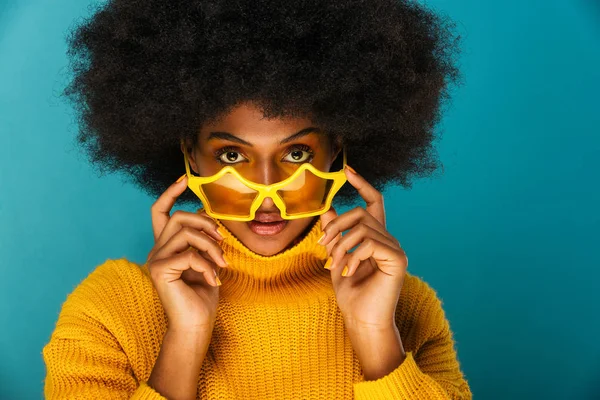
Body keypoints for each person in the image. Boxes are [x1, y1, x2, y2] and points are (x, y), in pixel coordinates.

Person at [42, 0, 471, 398]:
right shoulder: (111, 309)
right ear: (190, 153)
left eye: (296, 153)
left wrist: (375, 334)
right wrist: (186, 337)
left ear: (337, 151)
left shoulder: (406, 306)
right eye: (232, 155)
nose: (267, 186)